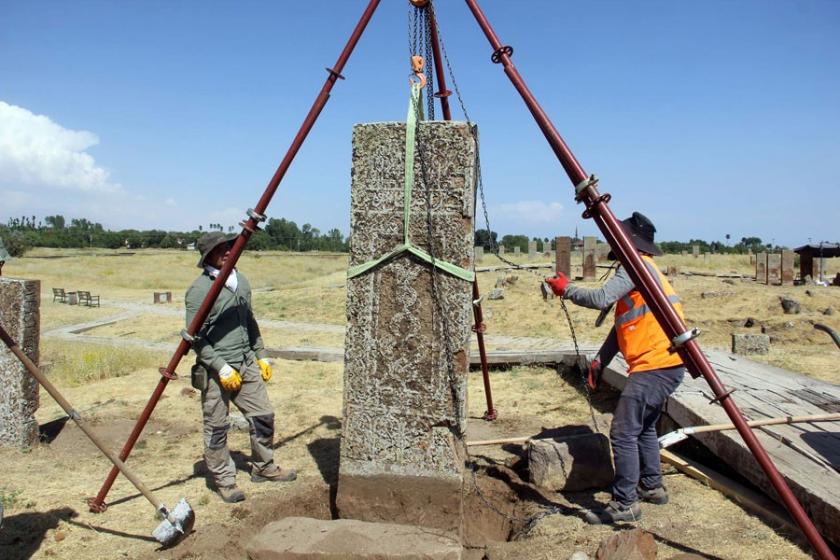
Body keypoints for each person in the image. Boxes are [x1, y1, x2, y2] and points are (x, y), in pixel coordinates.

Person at [544, 212, 685, 524]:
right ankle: (651, 486)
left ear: (629, 242)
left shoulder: (636, 267)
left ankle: (625, 504)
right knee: (644, 427)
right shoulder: (647, 270)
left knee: (622, 431)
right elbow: (623, 325)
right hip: (667, 364)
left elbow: (600, 297)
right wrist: (601, 360)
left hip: (655, 365)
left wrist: (565, 289)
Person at [186, 232, 296, 503]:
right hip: (216, 372)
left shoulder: (241, 281)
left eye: (228, 246)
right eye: (219, 249)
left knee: (263, 416)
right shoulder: (199, 291)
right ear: (207, 256)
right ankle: (225, 481)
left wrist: (261, 354)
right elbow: (195, 338)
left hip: (246, 363)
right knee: (217, 427)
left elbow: (249, 320)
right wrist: (221, 367)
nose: (226, 251)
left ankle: (264, 467)